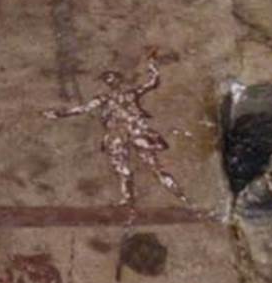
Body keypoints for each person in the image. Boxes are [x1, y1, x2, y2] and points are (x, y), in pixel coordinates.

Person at [45, 50, 187, 207]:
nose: (109, 80)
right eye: (106, 79)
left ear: (119, 80)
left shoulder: (131, 94)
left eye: (111, 77)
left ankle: (181, 197)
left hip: (136, 131)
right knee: (121, 167)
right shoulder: (104, 98)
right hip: (117, 134)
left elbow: (152, 83)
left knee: (154, 166)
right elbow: (83, 109)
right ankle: (128, 199)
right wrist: (58, 114)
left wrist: (152, 66)